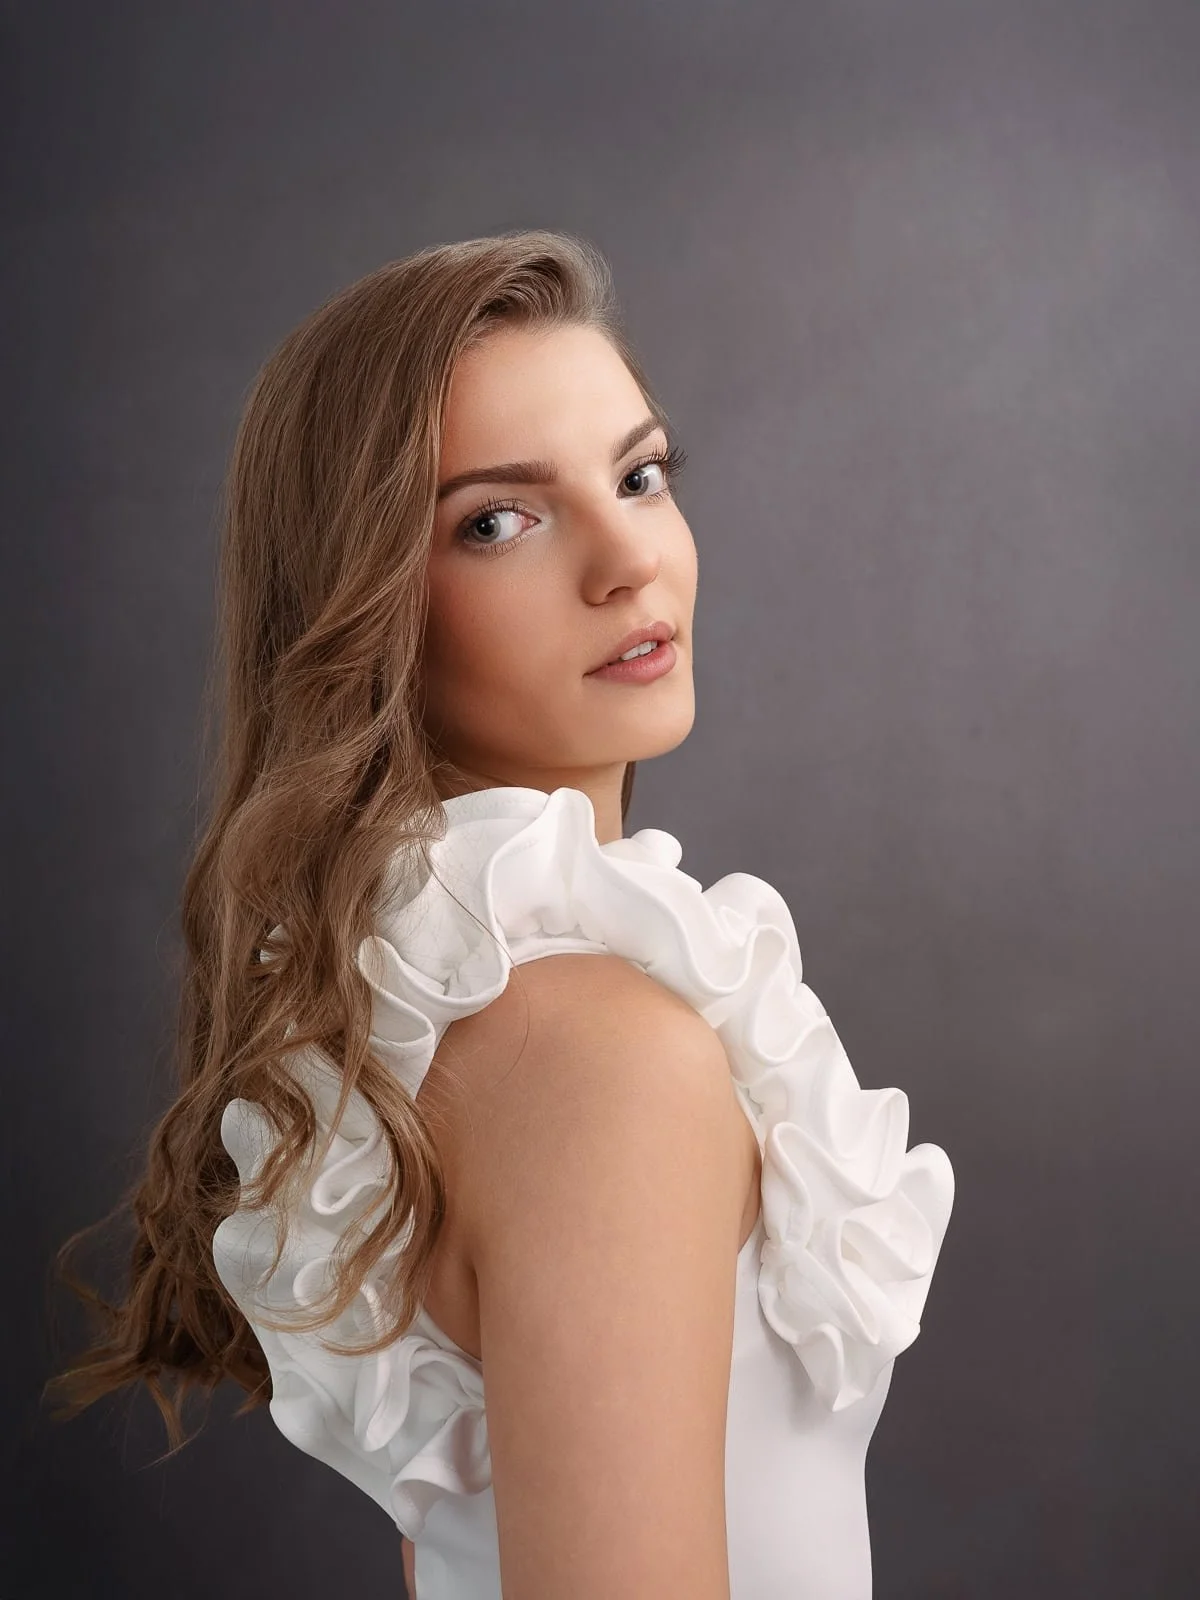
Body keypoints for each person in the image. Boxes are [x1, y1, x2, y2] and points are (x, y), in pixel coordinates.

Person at [45, 229, 955, 1599]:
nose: (628, 561)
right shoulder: (598, 1058)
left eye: (639, 476)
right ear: (366, 612)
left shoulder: (453, 1019)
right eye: (497, 520)